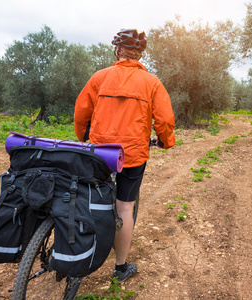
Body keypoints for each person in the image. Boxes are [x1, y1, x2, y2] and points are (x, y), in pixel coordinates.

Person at [74, 29, 175, 283]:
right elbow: (164, 120)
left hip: (99, 152)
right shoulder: (152, 82)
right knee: (124, 207)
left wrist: (84, 135)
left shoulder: (99, 78)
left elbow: (81, 111)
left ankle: (79, 247)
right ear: (139, 53)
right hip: (132, 154)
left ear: (119, 51)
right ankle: (120, 268)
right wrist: (165, 141)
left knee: (88, 196)